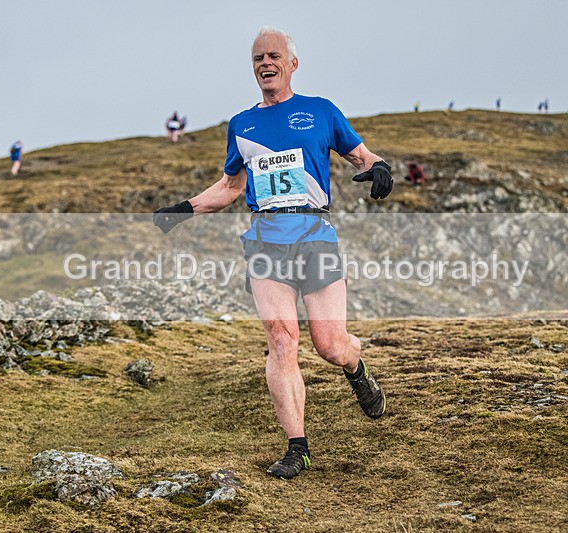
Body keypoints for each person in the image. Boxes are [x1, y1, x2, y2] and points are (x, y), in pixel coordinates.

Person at [153, 27, 391, 480]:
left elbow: (360, 155)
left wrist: (379, 168)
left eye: (274, 56)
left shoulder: (320, 112)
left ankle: (356, 368)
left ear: (292, 64)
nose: (266, 63)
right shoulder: (242, 125)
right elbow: (231, 187)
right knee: (282, 342)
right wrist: (183, 209)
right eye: (259, 57)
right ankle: (297, 448)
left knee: (330, 346)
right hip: (265, 239)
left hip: (314, 233)